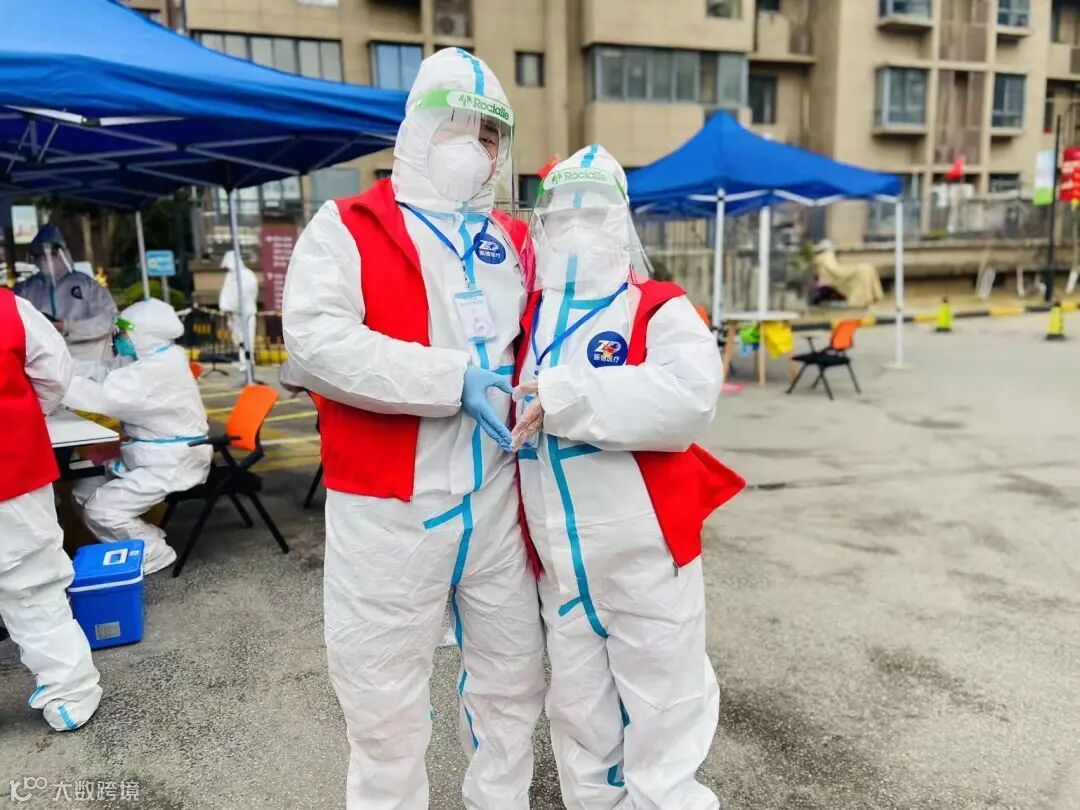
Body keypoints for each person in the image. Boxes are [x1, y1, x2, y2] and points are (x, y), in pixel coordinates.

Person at [282, 48, 545, 809]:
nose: (476, 148)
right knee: (382, 699)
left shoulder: (511, 240)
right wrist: (446, 380)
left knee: (512, 682)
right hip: (389, 509)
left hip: (496, 499)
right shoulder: (348, 226)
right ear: (418, 128)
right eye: (458, 127)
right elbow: (315, 342)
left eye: (490, 136)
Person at [510, 145, 744, 809]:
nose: (575, 227)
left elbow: (687, 399)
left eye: (594, 212)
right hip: (560, 565)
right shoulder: (523, 315)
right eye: (561, 213)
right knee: (579, 712)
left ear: (621, 219)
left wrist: (565, 395)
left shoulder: (657, 307)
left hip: (644, 557)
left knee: (665, 706)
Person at [0, 286, 102, 731]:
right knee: (33, 586)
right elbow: (54, 374)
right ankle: (70, 696)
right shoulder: (10, 309)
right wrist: (22, 415)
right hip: (11, 468)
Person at [64, 299, 212, 576]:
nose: (119, 338)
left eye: (125, 332)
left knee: (102, 510)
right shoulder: (153, 356)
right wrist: (64, 368)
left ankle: (154, 552)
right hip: (148, 456)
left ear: (145, 334)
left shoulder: (158, 368)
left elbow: (105, 397)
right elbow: (105, 374)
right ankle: (136, 541)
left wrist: (58, 381)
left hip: (172, 461)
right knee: (83, 491)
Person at [13, 224, 118, 363]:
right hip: (49, 365)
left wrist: (67, 327)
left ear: (63, 254)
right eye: (40, 255)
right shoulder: (26, 289)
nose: (45, 259)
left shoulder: (86, 284)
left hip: (91, 362)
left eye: (52, 254)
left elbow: (109, 321)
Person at [218, 249, 258, 363]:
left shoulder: (245, 275)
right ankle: (244, 360)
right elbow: (227, 293)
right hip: (236, 314)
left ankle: (247, 361)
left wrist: (228, 307)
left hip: (245, 313)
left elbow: (243, 294)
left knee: (246, 338)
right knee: (240, 338)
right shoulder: (232, 276)